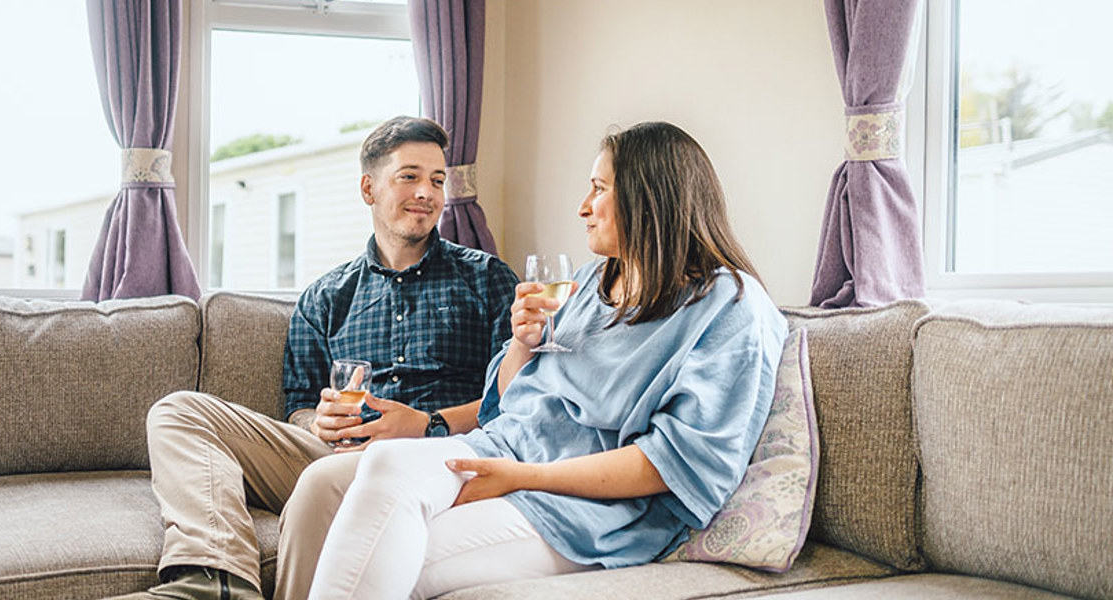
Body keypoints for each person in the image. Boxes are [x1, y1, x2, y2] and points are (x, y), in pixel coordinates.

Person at [287, 121, 789, 599]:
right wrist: (524, 343)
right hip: (501, 449)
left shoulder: (732, 308)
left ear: (648, 199)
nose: (583, 208)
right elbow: (506, 404)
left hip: (585, 507)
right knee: (383, 464)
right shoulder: (594, 282)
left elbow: (676, 463)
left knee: (393, 557)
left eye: (598, 189)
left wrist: (519, 477)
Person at [111, 116, 519, 600]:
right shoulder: (326, 296)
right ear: (369, 188)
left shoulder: (487, 279)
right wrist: (316, 424)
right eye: (409, 176)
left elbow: (515, 402)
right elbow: (299, 404)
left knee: (320, 482)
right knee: (178, 411)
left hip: (434, 456)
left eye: (436, 180)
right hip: (337, 451)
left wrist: (426, 424)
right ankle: (218, 578)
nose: (427, 193)